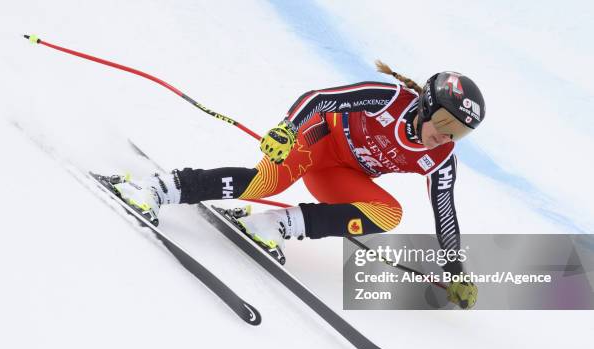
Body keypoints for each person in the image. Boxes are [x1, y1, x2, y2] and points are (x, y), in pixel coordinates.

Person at [113, 61, 486, 309]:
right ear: (424, 104)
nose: (447, 137)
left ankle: (271, 225)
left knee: (389, 214)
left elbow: (446, 216)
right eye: (445, 123)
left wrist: (455, 271)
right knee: (264, 182)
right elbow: (320, 99)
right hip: (316, 144)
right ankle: (157, 188)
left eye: (460, 133)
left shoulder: (439, 158)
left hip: (339, 177)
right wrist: (287, 128)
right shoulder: (389, 100)